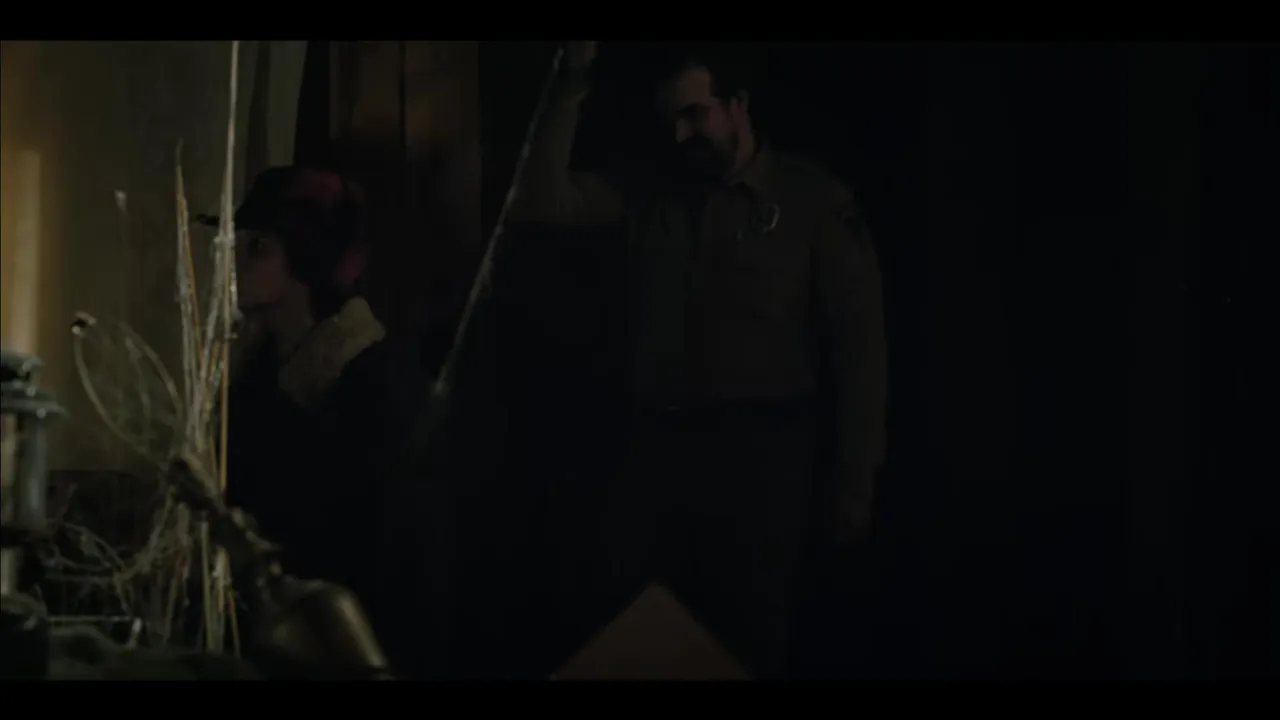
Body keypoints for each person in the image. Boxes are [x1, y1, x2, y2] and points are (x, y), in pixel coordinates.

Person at [509, 42, 887, 677]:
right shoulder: (652, 189)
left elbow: (860, 350)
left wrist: (855, 483)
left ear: (738, 105)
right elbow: (540, 201)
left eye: (694, 114)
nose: (681, 135)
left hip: (763, 462)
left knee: (746, 638)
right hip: (656, 453)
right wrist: (569, 82)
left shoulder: (813, 203)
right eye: (671, 121)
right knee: (634, 635)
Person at [202, 166, 430, 674]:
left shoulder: (375, 387)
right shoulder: (254, 370)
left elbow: (376, 556)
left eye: (258, 248)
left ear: (307, 259)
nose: (234, 262)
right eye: (235, 244)